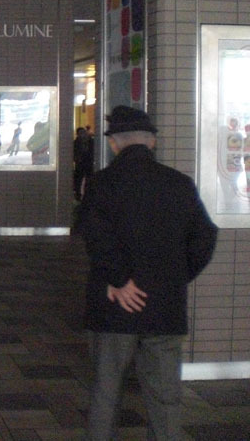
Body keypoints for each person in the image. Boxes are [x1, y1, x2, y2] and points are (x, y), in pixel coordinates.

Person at [76, 106, 217, 441]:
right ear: (152, 142)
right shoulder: (180, 185)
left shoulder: (101, 184)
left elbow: (96, 237)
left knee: (106, 394)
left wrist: (120, 280)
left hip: (114, 308)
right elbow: (204, 238)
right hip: (163, 307)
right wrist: (173, 278)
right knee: (166, 398)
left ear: (113, 144)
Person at [73, 126, 95, 201]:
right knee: (79, 179)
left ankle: (87, 194)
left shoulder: (91, 142)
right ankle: (79, 195)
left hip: (88, 163)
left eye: (84, 133)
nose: (83, 135)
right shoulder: (76, 143)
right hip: (81, 164)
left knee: (88, 179)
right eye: (81, 133)